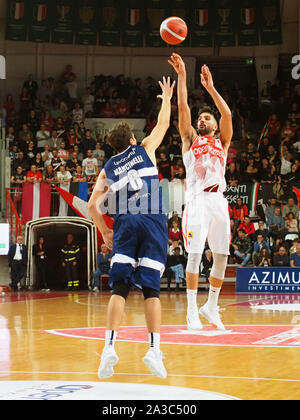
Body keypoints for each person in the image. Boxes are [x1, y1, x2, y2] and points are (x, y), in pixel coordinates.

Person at [88, 76, 175, 380]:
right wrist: (165, 99)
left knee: (120, 287)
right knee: (151, 288)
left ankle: (109, 347)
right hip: (151, 219)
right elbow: (163, 125)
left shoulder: (108, 167)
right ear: (133, 141)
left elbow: (92, 206)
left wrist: (106, 232)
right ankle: (153, 350)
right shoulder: (146, 149)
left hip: (125, 222)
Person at [169, 53, 233, 331]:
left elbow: (228, 114)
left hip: (219, 201)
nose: (203, 120)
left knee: (221, 256)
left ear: (215, 125)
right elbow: (182, 105)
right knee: (194, 256)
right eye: (201, 118)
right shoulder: (190, 139)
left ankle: (211, 306)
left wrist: (210, 88)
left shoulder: (223, 142)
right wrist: (183, 76)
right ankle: (192, 310)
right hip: (196, 202)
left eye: (207, 117)